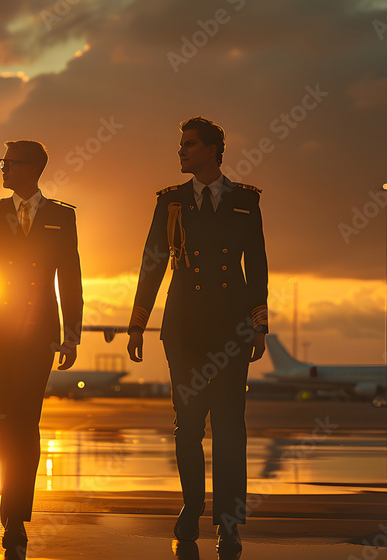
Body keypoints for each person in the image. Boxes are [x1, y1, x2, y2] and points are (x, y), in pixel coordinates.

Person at [126, 117, 268, 555]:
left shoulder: (245, 200)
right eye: (181, 145)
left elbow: (257, 263)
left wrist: (259, 322)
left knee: (229, 428)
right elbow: (152, 261)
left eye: (189, 145)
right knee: (187, 426)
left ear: (213, 150)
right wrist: (138, 322)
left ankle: (228, 521)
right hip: (184, 326)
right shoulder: (170, 203)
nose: (181, 152)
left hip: (230, 326)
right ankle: (191, 507)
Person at [0, 140, 83, 559]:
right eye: (2, 162)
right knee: (0, 422)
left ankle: (14, 517)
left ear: (33, 168)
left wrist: (72, 333)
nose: (3, 168)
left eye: (9, 162)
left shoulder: (61, 216)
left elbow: (71, 277)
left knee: (26, 421)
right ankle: (10, 504)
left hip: (40, 334)